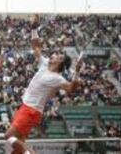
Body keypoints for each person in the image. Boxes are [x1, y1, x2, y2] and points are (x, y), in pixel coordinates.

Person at [5, 15, 83, 154]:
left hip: (31, 111)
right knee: (19, 144)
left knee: (9, 136)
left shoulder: (57, 78)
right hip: (26, 107)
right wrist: (34, 29)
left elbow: (71, 88)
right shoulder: (45, 63)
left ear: (59, 63)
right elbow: (35, 46)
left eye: (58, 55)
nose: (54, 54)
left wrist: (76, 72)